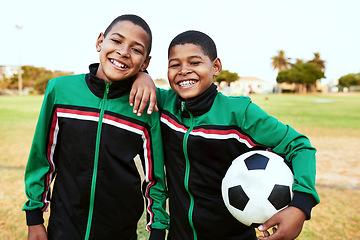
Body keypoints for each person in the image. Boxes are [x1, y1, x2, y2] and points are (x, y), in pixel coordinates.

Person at [132, 30, 319, 240]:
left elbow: (300, 146)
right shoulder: (162, 105)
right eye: (175, 65)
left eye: (194, 62)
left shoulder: (240, 113)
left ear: (216, 67)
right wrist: (142, 75)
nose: (184, 70)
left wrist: (301, 206)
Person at [22, 14, 169, 240]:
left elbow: (155, 178)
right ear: (100, 41)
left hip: (120, 231)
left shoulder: (145, 104)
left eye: (136, 50)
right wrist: (34, 219)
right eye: (117, 41)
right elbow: (42, 158)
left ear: (146, 62)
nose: (123, 52)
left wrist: (158, 230)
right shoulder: (60, 90)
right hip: (64, 227)